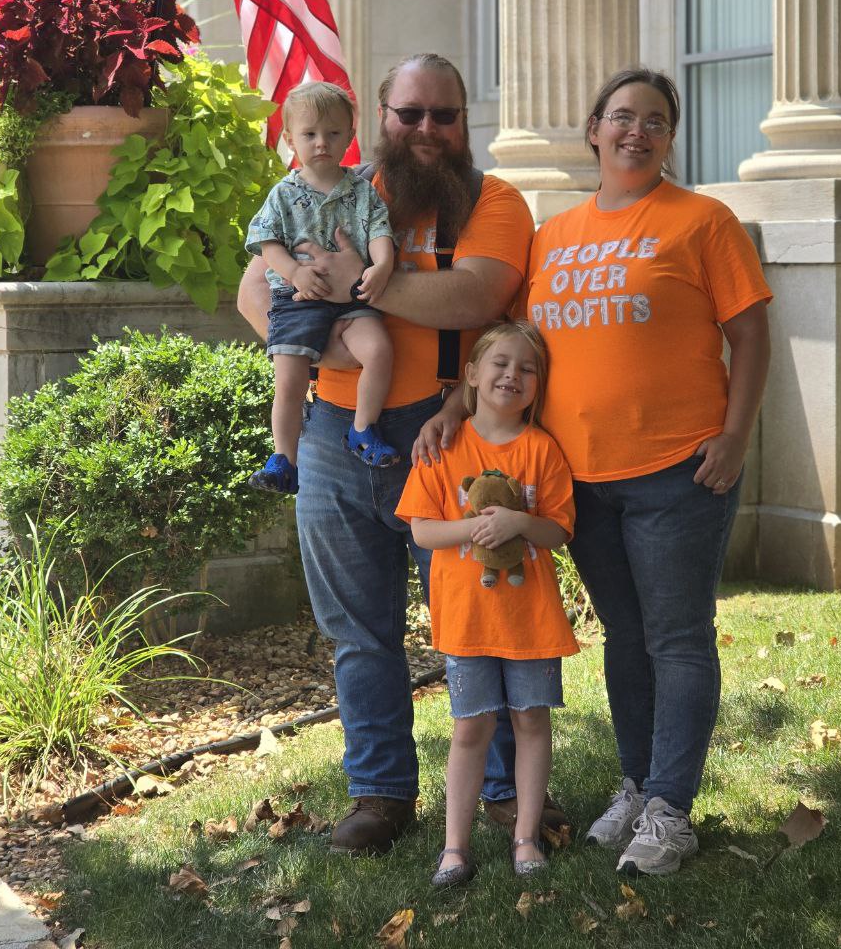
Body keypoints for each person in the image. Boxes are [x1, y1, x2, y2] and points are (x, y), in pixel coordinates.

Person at [417, 67, 772, 877]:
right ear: (593, 130)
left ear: (669, 138)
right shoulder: (557, 232)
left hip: (679, 469)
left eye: (654, 120)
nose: (636, 132)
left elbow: (750, 337)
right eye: (621, 117)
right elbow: (518, 351)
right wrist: (454, 408)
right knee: (625, 636)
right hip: (580, 481)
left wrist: (735, 436)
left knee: (677, 639)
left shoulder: (704, 222)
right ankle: (640, 785)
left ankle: (671, 811)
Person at [237, 53, 550, 856]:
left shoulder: (494, 201)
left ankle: (504, 791)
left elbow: (475, 295)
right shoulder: (334, 190)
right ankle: (381, 794)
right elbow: (253, 290)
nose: (425, 131)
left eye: (442, 116)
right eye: (408, 114)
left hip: (447, 434)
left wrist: (358, 285)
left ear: (464, 122)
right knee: (357, 630)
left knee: (477, 621)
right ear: (380, 118)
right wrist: (332, 351)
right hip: (336, 433)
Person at [397, 321, 578, 888]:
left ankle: (525, 837)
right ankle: (455, 846)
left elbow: (559, 531)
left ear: (537, 385)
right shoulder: (444, 446)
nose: (512, 375)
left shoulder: (542, 449)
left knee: (530, 721)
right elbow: (423, 532)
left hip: (531, 621)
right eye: (500, 363)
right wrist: (474, 530)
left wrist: (520, 522)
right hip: (468, 621)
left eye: (527, 369)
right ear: (471, 375)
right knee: (469, 730)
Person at [245, 82, 398, 493]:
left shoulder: (361, 192)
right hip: (298, 301)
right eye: (309, 134)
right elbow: (265, 241)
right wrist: (294, 272)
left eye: (333, 133)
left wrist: (382, 266)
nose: (321, 143)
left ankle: (362, 429)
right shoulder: (284, 193)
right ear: (291, 139)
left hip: (351, 302)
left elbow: (379, 232)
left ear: (350, 135)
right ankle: (283, 458)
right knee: (290, 380)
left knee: (379, 350)